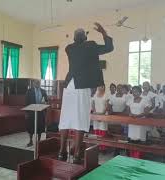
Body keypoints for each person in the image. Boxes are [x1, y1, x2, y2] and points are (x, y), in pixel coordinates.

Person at [58, 22, 114, 164]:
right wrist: (103, 32)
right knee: (81, 119)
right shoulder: (91, 46)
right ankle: (77, 154)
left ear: (74, 38)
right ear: (84, 37)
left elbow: (80, 46)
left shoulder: (69, 48)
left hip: (68, 86)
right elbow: (109, 47)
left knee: (65, 119)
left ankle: (61, 152)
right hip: (82, 86)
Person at [126, 86, 150, 158]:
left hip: (140, 123)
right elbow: (127, 109)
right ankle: (131, 155)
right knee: (131, 139)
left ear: (140, 92)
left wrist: (138, 116)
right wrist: (130, 114)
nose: (134, 93)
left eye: (136, 91)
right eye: (133, 91)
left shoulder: (145, 100)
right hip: (132, 122)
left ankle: (139, 157)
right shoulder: (130, 100)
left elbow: (146, 112)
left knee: (139, 139)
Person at [25, 79, 48, 147]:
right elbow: (26, 102)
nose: (37, 84)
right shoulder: (29, 91)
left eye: (38, 83)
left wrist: (45, 103)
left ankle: (39, 141)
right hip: (31, 111)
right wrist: (26, 112)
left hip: (40, 112)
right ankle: (31, 140)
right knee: (31, 126)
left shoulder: (43, 91)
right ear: (33, 84)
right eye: (36, 83)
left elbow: (46, 100)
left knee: (40, 126)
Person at [91, 85, 109, 151]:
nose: (101, 88)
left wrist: (102, 114)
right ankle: (96, 147)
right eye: (99, 86)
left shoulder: (106, 95)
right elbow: (93, 104)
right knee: (96, 130)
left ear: (104, 87)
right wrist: (95, 112)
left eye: (102, 86)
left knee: (103, 130)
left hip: (103, 115)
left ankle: (103, 148)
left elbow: (107, 106)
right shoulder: (95, 95)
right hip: (96, 115)